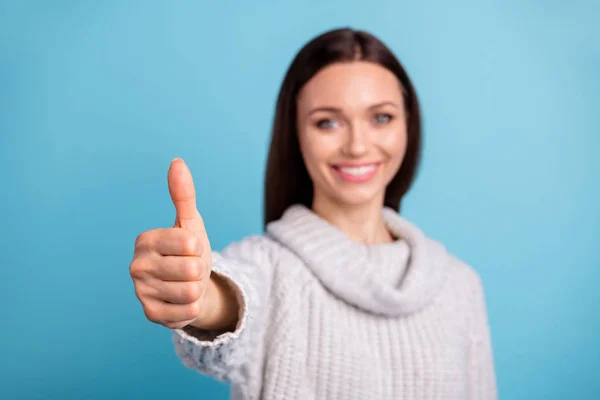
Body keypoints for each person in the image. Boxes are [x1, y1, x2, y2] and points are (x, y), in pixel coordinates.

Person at [129, 27, 497, 400]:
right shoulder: (266, 269)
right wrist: (201, 296)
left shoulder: (459, 286)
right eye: (327, 122)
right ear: (296, 134)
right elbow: (232, 303)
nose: (357, 145)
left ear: (408, 126)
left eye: (381, 118)